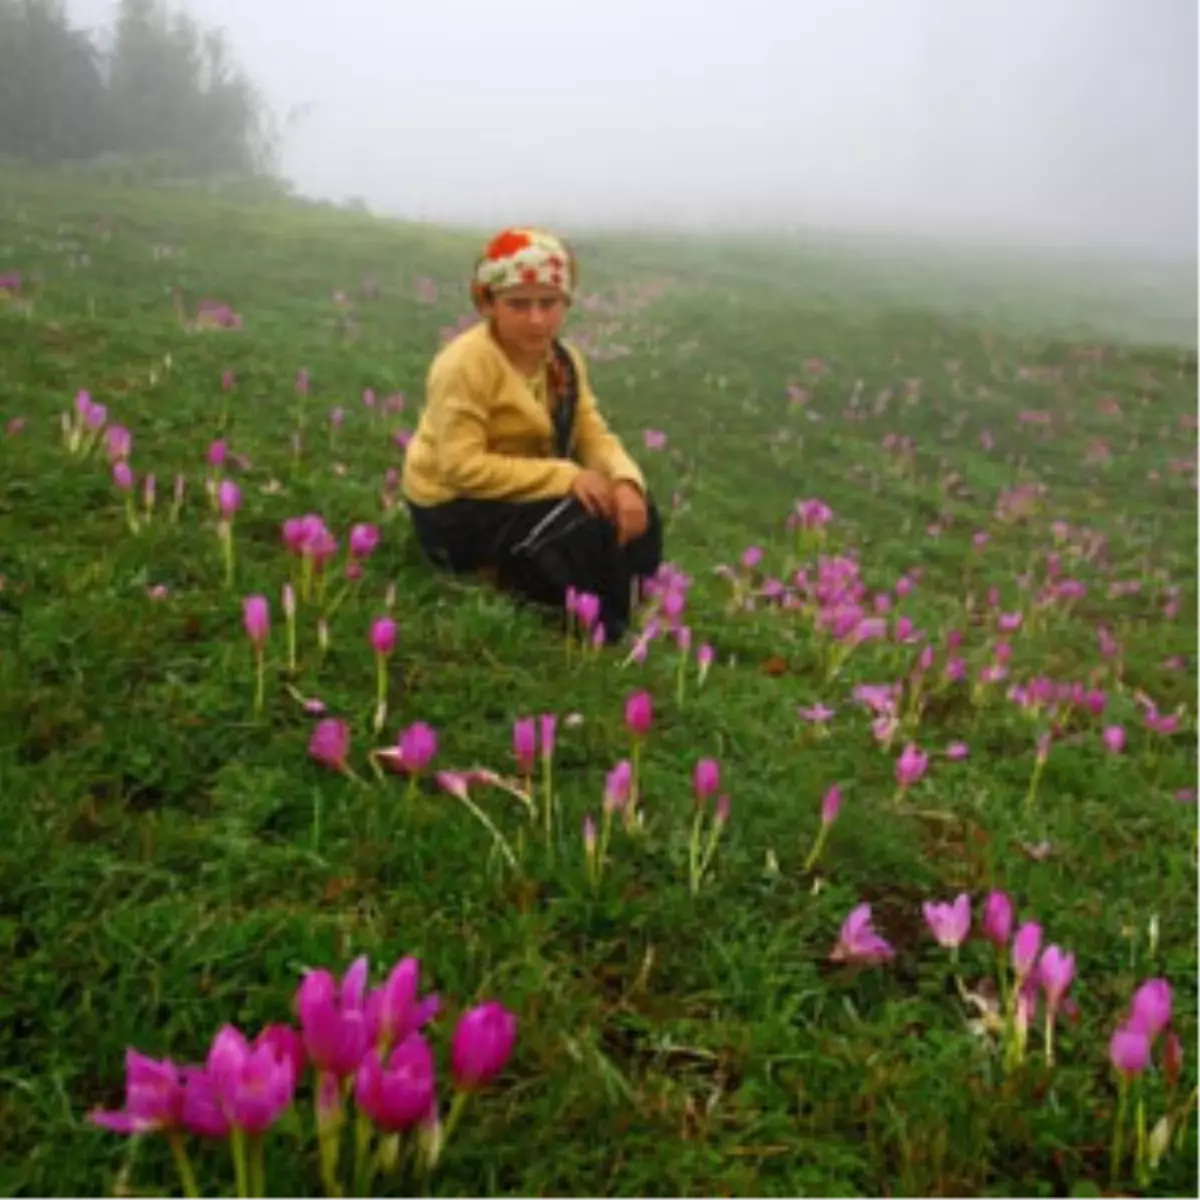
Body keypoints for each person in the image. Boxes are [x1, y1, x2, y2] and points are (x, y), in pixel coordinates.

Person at [402, 227, 663, 641]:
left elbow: (590, 431)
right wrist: (566, 477)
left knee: (633, 507)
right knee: (580, 524)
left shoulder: (562, 361)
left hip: (519, 490)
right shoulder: (466, 365)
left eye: (549, 303)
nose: (537, 318)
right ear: (488, 303)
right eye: (518, 304)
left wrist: (625, 480)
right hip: (456, 509)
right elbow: (460, 468)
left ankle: (619, 609)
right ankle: (586, 621)